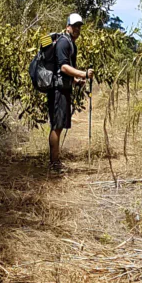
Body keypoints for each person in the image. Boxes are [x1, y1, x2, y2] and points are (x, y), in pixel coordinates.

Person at [48, 13, 93, 174]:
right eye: (74, 26)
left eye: (79, 26)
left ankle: (55, 162)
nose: (77, 29)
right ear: (68, 26)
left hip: (63, 88)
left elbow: (65, 71)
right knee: (57, 126)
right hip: (58, 90)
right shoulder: (63, 43)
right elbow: (63, 67)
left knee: (59, 125)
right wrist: (83, 74)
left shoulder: (71, 44)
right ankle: (54, 164)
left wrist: (75, 81)